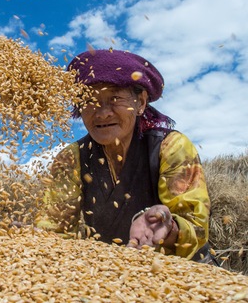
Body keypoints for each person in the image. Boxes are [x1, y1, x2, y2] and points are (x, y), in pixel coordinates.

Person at [37, 48, 214, 263]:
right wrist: (35, 239)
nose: (102, 112)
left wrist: (166, 225)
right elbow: (55, 227)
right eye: (89, 100)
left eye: (114, 98)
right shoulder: (72, 158)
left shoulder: (170, 147)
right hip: (113, 276)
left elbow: (195, 225)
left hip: (183, 276)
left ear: (140, 103)